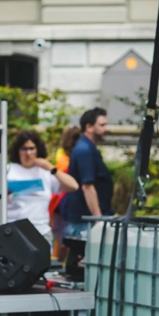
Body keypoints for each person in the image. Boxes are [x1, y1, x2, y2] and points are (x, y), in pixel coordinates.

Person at [61, 108, 113, 277]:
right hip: (85, 219)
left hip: (86, 218)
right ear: (89, 127)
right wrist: (98, 218)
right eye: (102, 125)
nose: (106, 129)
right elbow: (87, 186)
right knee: (83, 268)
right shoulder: (85, 150)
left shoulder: (88, 148)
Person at [6, 130, 78, 246]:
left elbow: (73, 186)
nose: (28, 153)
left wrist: (50, 168)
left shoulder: (44, 172)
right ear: (17, 151)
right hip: (14, 232)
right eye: (24, 149)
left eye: (31, 149)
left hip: (41, 231)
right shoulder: (8, 171)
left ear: (37, 150)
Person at [49, 125, 81, 261]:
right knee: (61, 243)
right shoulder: (69, 161)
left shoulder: (62, 157)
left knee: (61, 243)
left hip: (58, 204)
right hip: (62, 204)